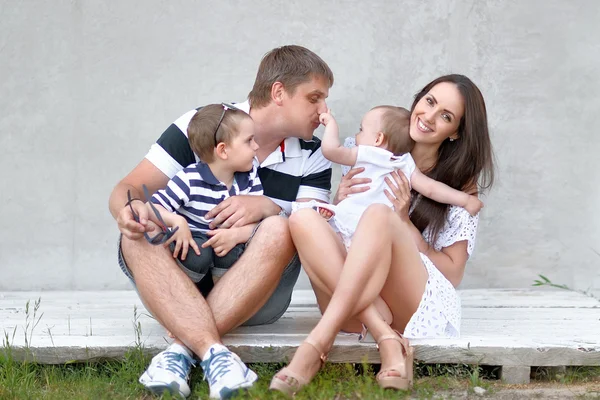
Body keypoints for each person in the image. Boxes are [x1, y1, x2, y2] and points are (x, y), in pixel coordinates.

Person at [108, 45, 334, 399]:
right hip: (180, 279)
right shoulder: (201, 125)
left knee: (282, 226)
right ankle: (211, 354)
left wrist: (266, 207)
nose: (324, 111)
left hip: (258, 295)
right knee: (137, 232)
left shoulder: (315, 154)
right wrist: (130, 211)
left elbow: (314, 230)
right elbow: (128, 188)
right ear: (279, 93)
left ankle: (183, 345)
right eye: (314, 98)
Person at [270, 74, 495, 396]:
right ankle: (385, 338)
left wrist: (402, 222)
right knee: (303, 216)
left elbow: (452, 274)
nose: (429, 117)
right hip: (359, 306)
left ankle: (315, 346)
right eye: (429, 102)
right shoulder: (368, 147)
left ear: (456, 131)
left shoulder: (456, 186)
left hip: (408, 308)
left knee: (380, 214)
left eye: (445, 116)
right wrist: (338, 201)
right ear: (418, 100)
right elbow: (343, 232)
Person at [298, 105, 483, 252]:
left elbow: (331, 151)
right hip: (374, 233)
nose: (357, 135)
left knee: (313, 227)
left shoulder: (365, 153)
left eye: (361, 130)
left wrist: (331, 124)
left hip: (350, 218)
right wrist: (465, 200)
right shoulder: (405, 162)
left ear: (378, 139)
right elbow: (431, 188)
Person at [143, 103, 263, 283]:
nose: (256, 146)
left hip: (228, 258)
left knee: (231, 253)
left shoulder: (250, 177)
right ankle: (185, 300)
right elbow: (151, 207)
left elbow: (260, 225)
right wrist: (177, 221)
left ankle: (222, 303)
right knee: (197, 254)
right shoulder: (189, 179)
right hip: (194, 254)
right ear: (223, 150)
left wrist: (237, 235)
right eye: (249, 140)